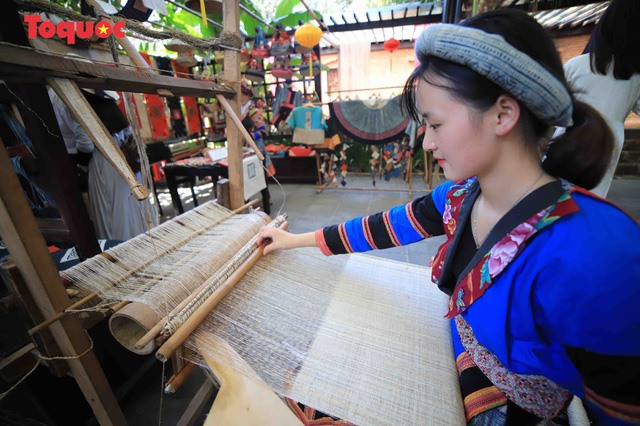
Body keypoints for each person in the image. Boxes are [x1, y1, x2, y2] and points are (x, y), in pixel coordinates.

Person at [257, 8, 640, 425]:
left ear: (503, 114)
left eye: (435, 124)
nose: (425, 142)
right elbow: (383, 228)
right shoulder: (461, 197)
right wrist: (293, 242)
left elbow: (622, 410)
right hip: (464, 354)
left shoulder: (597, 254)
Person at [563, 0, 640, 197]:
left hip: (569, 138)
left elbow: (553, 106)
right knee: (589, 200)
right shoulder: (635, 79)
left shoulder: (577, 65)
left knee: (555, 199)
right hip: (608, 145)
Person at [240, 80, 274, 215]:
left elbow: (263, 130)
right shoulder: (238, 110)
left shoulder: (254, 111)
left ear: (248, 95)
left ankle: (266, 200)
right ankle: (247, 201)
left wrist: (248, 136)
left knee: (259, 175)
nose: (240, 96)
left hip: (255, 148)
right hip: (243, 149)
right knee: (246, 175)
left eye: (242, 94)